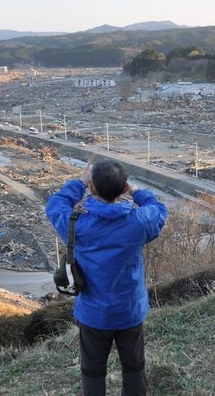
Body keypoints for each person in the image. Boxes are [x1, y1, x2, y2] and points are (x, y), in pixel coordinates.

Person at [46, 159, 167, 396]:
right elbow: (158, 209)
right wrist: (135, 191)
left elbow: (55, 204)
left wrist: (80, 182)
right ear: (123, 189)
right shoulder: (138, 222)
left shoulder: (77, 225)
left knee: (92, 370)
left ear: (91, 187)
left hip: (93, 312)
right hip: (129, 310)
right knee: (134, 367)